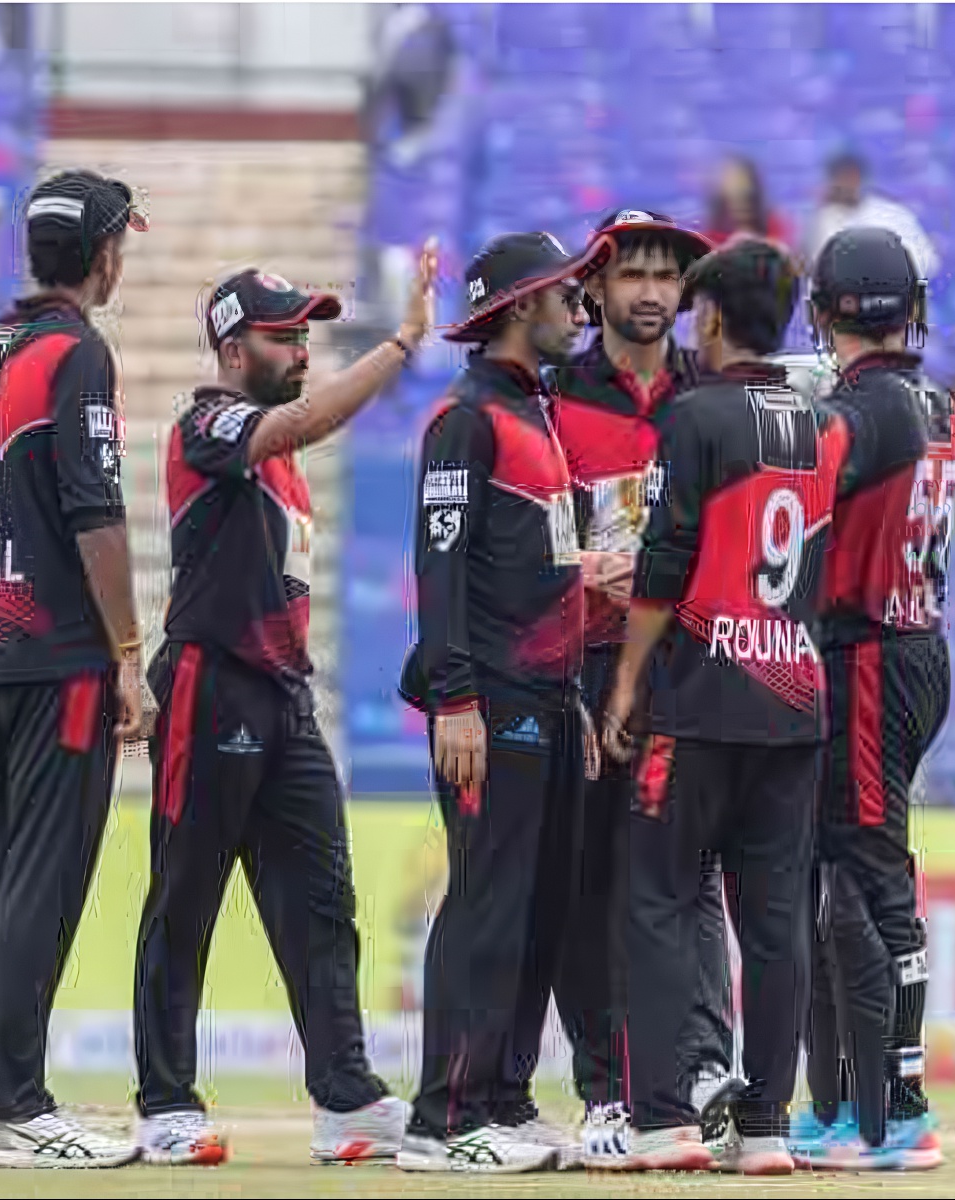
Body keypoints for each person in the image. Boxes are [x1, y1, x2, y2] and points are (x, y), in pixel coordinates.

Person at [132, 249, 437, 1166]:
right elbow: (301, 422)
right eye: (281, 335)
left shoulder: (276, 456)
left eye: (305, 333)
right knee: (185, 895)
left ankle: (345, 1097)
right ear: (233, 347)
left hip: (282, 693)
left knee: (322, 902)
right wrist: (403, 344)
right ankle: (164, 1103)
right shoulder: (210, 425)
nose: (299, 349)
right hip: (208, 679)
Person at [604, 237, 839, 1175]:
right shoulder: (825, 428)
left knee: (656, 898)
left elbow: (662, 564)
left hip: (702, 698)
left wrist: (626, 679)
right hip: (795, 703)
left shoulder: (694, 417)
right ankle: (768, 1128)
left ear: (709, 319)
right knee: (775, 921)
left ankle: (662, 1120)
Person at [0, 169, 147, 1167]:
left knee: (4, 880)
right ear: (103, 253)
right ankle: (18, 1108)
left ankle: (4, 1102)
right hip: (63, 651)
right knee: (42, 882)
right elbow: (93, 510)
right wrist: (129, 655)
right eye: (123, 244)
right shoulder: (76, 354)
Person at [395, 231, 608, 1173]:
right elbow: (435, 568)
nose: (581, 308)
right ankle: (442, 1119)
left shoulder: (539, 413)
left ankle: (501, 1098)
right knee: (488, 900)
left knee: (539, 907)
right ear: (523, 306)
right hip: (490, 697)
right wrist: (454, 699)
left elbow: (535, 565)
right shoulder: (465, 421)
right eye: (567, 293)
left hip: (551, 698)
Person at [547, 208, 736, 1164]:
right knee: (588, 886)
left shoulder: (707, 397)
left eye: (667, 275)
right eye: (632, 276)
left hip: (685, 667)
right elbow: (520, 538)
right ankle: (605, 1089)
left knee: (687, 880)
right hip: (581, 665)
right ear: (592, 290)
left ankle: (703, 1072)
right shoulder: (549, 399)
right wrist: (580, 568)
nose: (653, 292)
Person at [794, 226, 955, 1171]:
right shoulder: (943, 405)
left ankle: (898, 1108)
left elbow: (814, 480)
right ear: (913, 310)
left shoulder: (856, 416)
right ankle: (849, 1104)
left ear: (821, 314)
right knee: (839, 877)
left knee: (869, 880)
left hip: (863, 656)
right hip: (916, 645)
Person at [806, 152, 939, 281]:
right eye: (840, 178)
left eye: (850, 177)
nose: (845, 184)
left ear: (859, 178)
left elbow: (928, 262)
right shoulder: (822, 221)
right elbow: (818, 269)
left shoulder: (892, 214)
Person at [705, 155, 794, 249]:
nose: (739, 191)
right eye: (732, 184)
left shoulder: (777, 225)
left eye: (743, 183)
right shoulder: (707, 235)